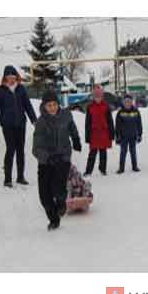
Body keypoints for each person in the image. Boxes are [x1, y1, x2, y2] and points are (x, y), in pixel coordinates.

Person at [32, 90, 82, 231]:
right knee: (44, 196)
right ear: (44, 106)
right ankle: (54, 219)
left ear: (58, 104)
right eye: (49, 105)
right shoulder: (41, 122)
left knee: (58, 188)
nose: (52, 107)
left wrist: (76, 139)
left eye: (54, 104)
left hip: (62, 158)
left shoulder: (66, 115)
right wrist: (47, 157)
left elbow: (71, 127)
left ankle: (61, 203)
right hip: (45, 162)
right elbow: (36, 148)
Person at [0, 65, 37, 188]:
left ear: (16, 76)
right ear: (5, 78)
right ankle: (7, 179)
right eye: (8, 77)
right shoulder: (0, 90)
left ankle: (20, 177)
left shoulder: (21, 89)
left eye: (13, 76)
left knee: (20, 150)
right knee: (11, 149)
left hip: (21, 124)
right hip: (7, 125)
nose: (11, 79)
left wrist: (34, 120)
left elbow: (28, 106)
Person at [84, 84, 114, 176]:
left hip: (104, 133)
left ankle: (102, 169)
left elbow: (110, 121)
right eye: (96, 96)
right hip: (94, 133)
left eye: (99, 96)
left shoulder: (106, 106)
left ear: (102, 96)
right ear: (93, 97)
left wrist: (112, 133)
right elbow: (87, 123)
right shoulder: (90, 107)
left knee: (103, 153)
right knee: (92, 153)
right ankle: (88, 171)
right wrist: (87, 136)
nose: (98, 98)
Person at [115, 94, 142, 174]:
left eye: (129, 102)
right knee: (123, 152)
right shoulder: (120, 112)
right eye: (126, 102)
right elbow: (117, 125)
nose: (127, 103)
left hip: (133, 135)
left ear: (132, 102)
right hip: (123, 137)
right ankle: (121, 167)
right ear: (123, 103)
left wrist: (139, 134)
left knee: (133, 151)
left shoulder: (136, 111)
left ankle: (134, 166)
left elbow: (139, 124)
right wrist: (118, 136)